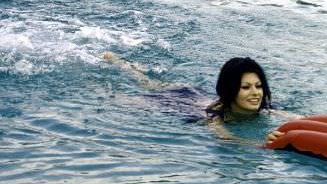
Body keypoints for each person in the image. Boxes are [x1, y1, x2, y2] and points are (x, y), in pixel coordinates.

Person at [102, 52, 296, 144]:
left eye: (259, 86)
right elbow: (226, 137)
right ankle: (120, 65)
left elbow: (296, 117)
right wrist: (262, 142)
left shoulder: (265, 107)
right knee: (144, 90)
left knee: (155, 83)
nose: (255, 93)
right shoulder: (216, 118)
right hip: (181, 101)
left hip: (199, 94)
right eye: (245, 87)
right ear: (230, 90)